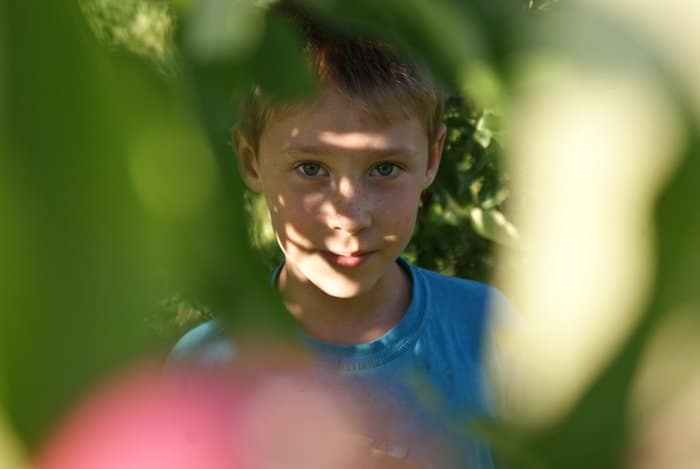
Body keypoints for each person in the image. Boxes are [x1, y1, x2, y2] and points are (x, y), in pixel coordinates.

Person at [170, 3, 518, 468]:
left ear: (432, 158)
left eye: (385, 168)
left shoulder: (490, 334)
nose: (350, 217)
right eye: (311, 168)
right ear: (251, 160)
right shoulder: (208, 368)